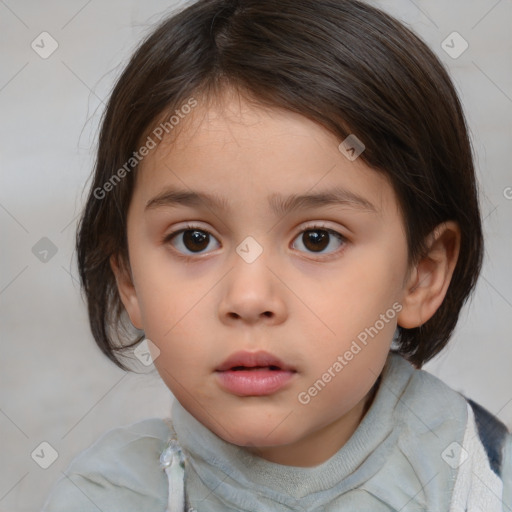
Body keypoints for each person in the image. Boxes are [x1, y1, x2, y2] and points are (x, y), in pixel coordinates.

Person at [41, 0, 512, 510]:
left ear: (421, 274)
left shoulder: (482, 480)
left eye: (317, 239)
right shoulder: (106, 497)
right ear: (129, 279)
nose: (249, 297)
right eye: (194, 239)